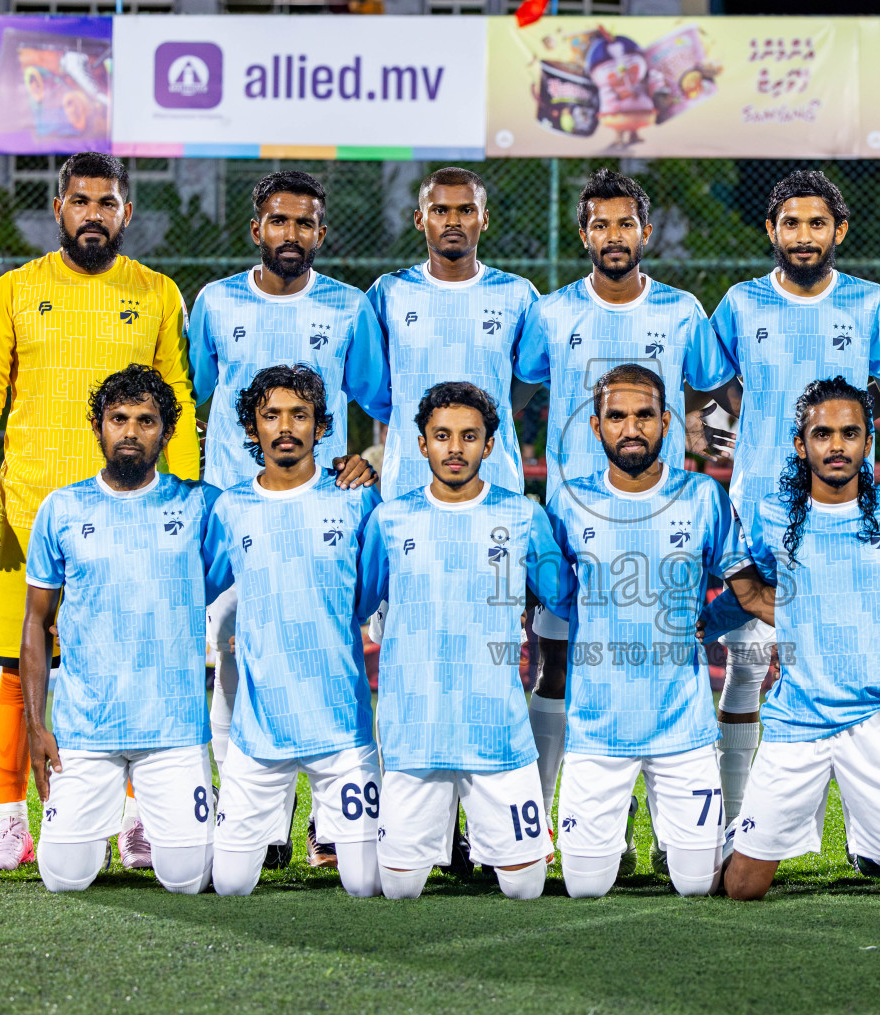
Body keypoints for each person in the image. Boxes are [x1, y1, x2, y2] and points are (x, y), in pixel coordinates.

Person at [0, 152, 199, 872]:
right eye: (80, 200)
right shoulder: (12, 291)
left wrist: (180, 500)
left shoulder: (158, 293)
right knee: (13, 670)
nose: (93, 212)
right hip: (30, 517)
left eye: (108, 202)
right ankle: (11, 823)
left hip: (129, 519)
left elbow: (177, 400)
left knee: (133, 668)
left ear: (127, 213)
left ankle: (134, 821)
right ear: (58, 209)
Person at [704, 170, 880, 825]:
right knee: (749, 666)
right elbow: (711, 386)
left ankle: (874, 833)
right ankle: (736, 823)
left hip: (846, 516)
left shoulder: (870, 303)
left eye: (817, 224)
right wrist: (756, 425)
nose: (804, 237)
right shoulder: (742, 304)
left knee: (857, 670)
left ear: (840, 231)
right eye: (791, 224)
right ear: (771, 230)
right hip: (759, 514)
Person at [513, 169, 738, 823]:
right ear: (584, 233)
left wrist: (702, 423)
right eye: (600, 224)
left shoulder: (681, 311)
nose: (614, 235)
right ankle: (540, 821)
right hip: (572, 531)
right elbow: (514, 401)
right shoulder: (552, 314)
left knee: (664, 670)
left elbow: (713, 390)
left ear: (646, 232)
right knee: (554, 669)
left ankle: (675, 827)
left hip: (662, 530)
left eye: (626, 223)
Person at [187, 170, 385, 869]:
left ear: (321, 234)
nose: (290, 234)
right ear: (256, 229)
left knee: (329, 658)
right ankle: (255, 823)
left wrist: (370, 457)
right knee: (234, 663)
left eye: (304, 224)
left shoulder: (351, 307)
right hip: (234, 512)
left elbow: (382, 402)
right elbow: (189, 401)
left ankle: (332, 824)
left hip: (322, 515)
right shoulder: (213, 303)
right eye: (278, 221)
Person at [544, 364, 772, 898]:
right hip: (596, 731)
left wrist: (705, 624)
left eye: (644, 415)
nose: (631, 428)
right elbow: (553, 597)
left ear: (666, 421)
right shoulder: (567, 502)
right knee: (583, 887)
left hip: (683, 731)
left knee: (696, 886)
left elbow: (748, 592)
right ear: (596, 426)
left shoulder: (703, 498)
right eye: (617, 417)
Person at [715, 376, 880, 901]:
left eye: (850, 433)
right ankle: (730, 834)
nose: (836, 445)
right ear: (801, 443)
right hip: (799, 717)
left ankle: (879, 840)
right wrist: (748, 611)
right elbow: (754, 590)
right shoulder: (772, 514)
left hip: (876, 716)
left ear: (867, 441)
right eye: (822, 434)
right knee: (742, 888)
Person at [358, 382, 572, 901]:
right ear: (421, 443)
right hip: (415, 731)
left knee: (525, 887)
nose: (455, 448)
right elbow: (359, 603)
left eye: (469, 436)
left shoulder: (524, 516)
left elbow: (564, 598)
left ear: (490, 445)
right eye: (443, 435)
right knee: (398, 889)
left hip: (496, 730)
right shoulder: (390, 519)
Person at [20, 365, 217, 895]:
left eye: (146, 420)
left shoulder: (201, 506)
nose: (131, 431)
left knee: (187, 879)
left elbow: (274, 497)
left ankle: (145, 816)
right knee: (63, 878)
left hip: (172, 728)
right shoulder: (61, 509)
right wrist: (37, 726)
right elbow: (35, 623)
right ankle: (106, 820)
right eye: (119, 419)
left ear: (167, 432)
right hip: (86, 729)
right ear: (99, 427)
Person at [202, 364, 383, 898]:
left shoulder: (355, 499)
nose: (285, 426)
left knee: (366, 883)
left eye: (299, 415)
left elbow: (366, 594)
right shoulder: (231, 508)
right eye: (271, 415)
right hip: (260, 735)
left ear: (320, 426)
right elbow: (198, 585)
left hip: (343, 731)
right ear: (253, 427)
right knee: (230, 885)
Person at [367, 167, 540, 498]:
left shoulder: (517, 294)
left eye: (466, 210)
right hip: (409, 479)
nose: (453, 221)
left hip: (493, 478)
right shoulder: (388, 293)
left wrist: (495, 408)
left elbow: (531, 375)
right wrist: (407, 412)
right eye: (440, 210)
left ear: (484, 219)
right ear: (420, 219)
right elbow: (368, 380)